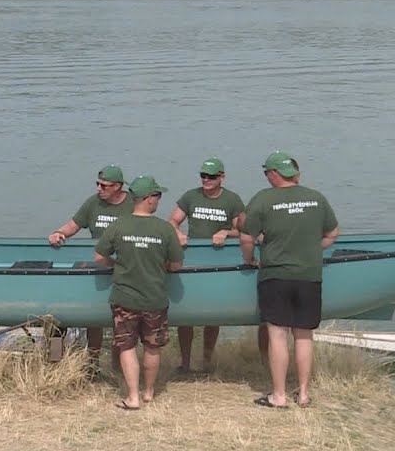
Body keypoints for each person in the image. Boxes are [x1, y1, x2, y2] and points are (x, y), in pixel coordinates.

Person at [240, 151, 339, 409]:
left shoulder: (263, 199)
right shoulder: (316, 198)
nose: (266, 177)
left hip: (276, 274)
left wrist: (250, 259)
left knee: (278, 334)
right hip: (309, 275)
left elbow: (246, 237)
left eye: (266, 173)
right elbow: (333, 233)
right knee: (304, 335)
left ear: (274, 174)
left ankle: (279, 395)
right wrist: (311, 250)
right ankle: (304, 393)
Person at [95, 176, 184, 410]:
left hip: (124, 298)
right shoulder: (164, 229)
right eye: (157, 196)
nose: (159, 200)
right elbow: (176, 265)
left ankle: (132, 396)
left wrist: (116, 265)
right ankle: (148, 392)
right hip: (155, 298)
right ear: (148, 199)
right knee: (153, 347)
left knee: (127, 347)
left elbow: (99, 257)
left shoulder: (119, 226)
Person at [47, 164, 135, 368]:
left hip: (125, 267)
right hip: (99, 265)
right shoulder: (93, 203)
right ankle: (92, 363)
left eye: (104, 185)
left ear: (118, 186)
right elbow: (73, 225)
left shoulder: (132, 204)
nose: (99, 189)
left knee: (121, 321)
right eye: (98, 184)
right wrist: (59, 233)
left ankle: (117, 367)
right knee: (94, 319)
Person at [168, 157, 246, 373]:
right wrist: (178, 233)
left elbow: (244, 231)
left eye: (211, 176)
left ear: (222, 177)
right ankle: (185, 362)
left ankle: (207, 361)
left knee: (213, 313)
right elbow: (172, 221)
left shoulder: (232, 200)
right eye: (203, 176)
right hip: (192, 257)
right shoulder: (191, 196)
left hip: (218, 259)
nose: (206, 180)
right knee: (186, 313)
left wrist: (226, 232)